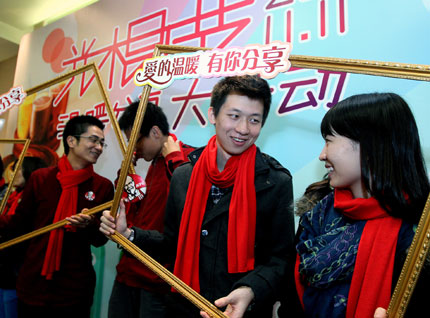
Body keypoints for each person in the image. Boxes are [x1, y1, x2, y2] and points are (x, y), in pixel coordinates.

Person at [100, 75, 295, 318]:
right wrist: (129, 233)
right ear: (213, 115)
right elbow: (172, 244)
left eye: (254, 120)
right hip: (184, 308)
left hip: (241, 312)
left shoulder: (274, 181)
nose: (243, 129)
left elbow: (282, 258)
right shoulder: (184, 175)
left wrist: (250, 289)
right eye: (234, 116)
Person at [287, 93, 430, 318]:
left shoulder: (420, 230)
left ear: (370, 145)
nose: (322, 155)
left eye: (329, 141)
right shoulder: (318, 208)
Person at [0, 115, 114, 318]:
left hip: (74, 287)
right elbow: (19, 225)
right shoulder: (41, 178)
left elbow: (100, 239)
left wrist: (89, 224)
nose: (98, 147)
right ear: (71, 141)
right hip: (34, 282)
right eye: (94, 140)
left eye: (102, 143)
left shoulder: (102, 186)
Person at [108, 101, 195, 318]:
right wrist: (128, 167)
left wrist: (175, 161)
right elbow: (127, 208)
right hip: (128, 272)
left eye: (135, 141)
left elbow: (191, 213)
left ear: (155, 132)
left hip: (157, 280)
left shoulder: (187, 160)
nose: (133, 148)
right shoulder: (149, 164)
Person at [0, 156, 47, 318]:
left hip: (17, 271)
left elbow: (17, 224)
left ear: (30, 172)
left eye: (18, 169)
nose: (13, 173)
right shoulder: (12, 195)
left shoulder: (32, 200)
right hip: (5, 268)